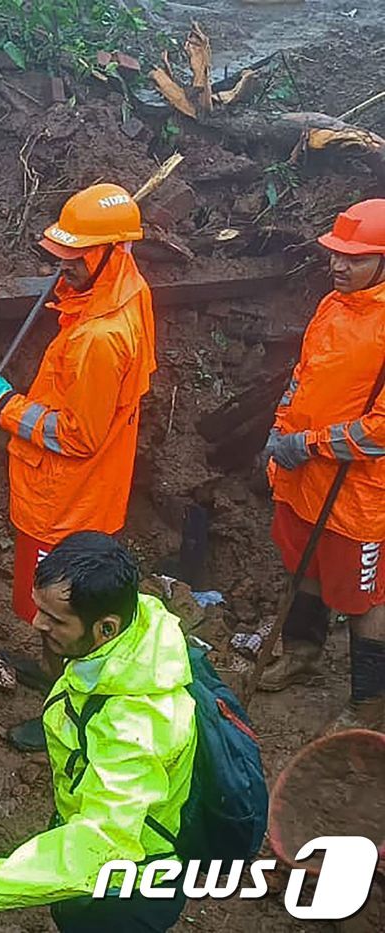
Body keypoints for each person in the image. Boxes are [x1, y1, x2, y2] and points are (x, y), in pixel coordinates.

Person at [0, 532, 197, 933]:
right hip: (93, 854)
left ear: (106, 628)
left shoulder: (136, 727)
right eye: (41, 608)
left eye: (56, 619)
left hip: (123, 891)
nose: (36, 622)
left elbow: (99, 846)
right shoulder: (138, 630)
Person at [0, 183, 156, 750]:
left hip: (66, 502)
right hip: (85, 494)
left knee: (59, 613)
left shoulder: (101, 338)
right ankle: (56, 678)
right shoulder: (126, 292)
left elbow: (77, 434)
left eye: (74, 257)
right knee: (58, 609)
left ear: (111, 252)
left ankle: (68, 717)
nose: (62, 266)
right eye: (61, 254)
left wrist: (5, 405)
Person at [259, 198, 385, 732]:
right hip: (303, 478)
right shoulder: (333, 305)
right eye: (336, 254)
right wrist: (280, 427)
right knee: (303, 564)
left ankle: (369, 702)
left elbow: (379, 431)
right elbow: (302, 375)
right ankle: (302, 652)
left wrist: (308, 445)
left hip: (358, 491)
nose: (339, 265)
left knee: (363, 597)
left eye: (356, 258)